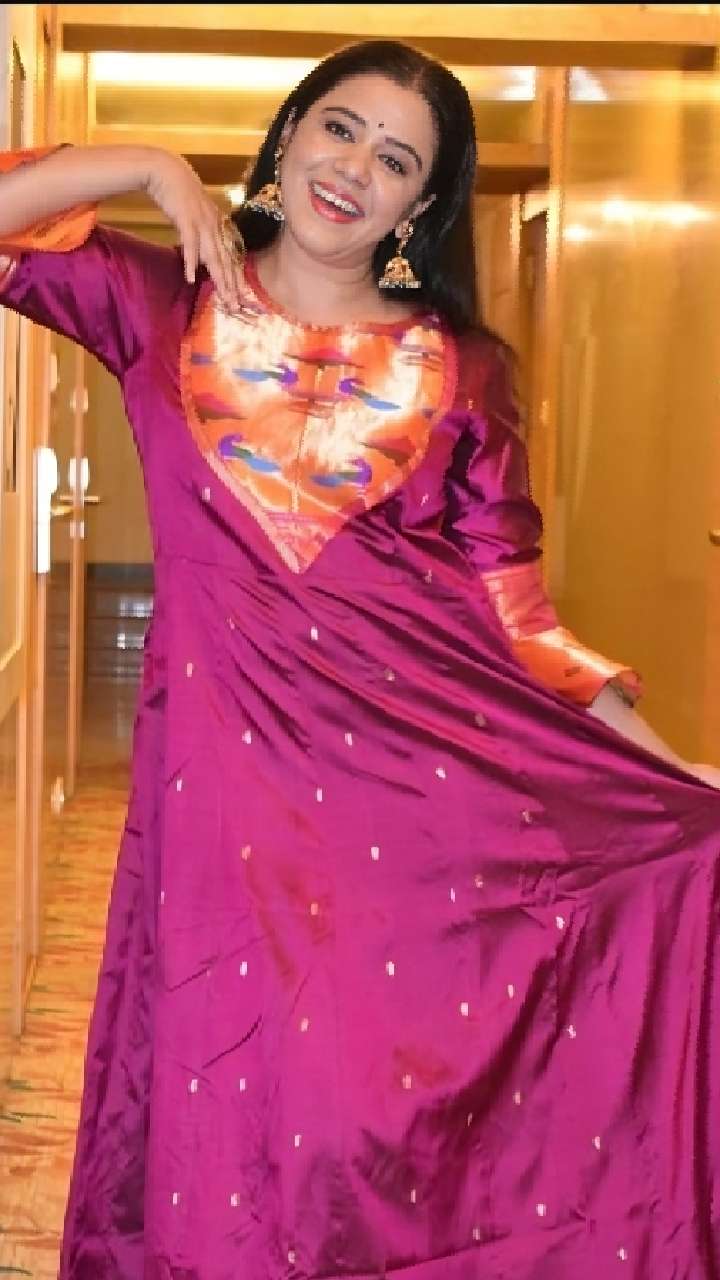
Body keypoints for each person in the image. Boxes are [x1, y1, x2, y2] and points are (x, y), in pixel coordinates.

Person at [0, 37, 718, 1280]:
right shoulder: (160, 297)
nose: (354, 169)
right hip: (223, 809)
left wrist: (668, 776)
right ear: (289, 134)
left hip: (417, 807)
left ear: (420, 205)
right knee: (234, 1120)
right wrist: (149, 165)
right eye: (339, 128)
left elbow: (520, 621)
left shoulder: (464, 370)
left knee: (369, 1130)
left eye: (397, 160)